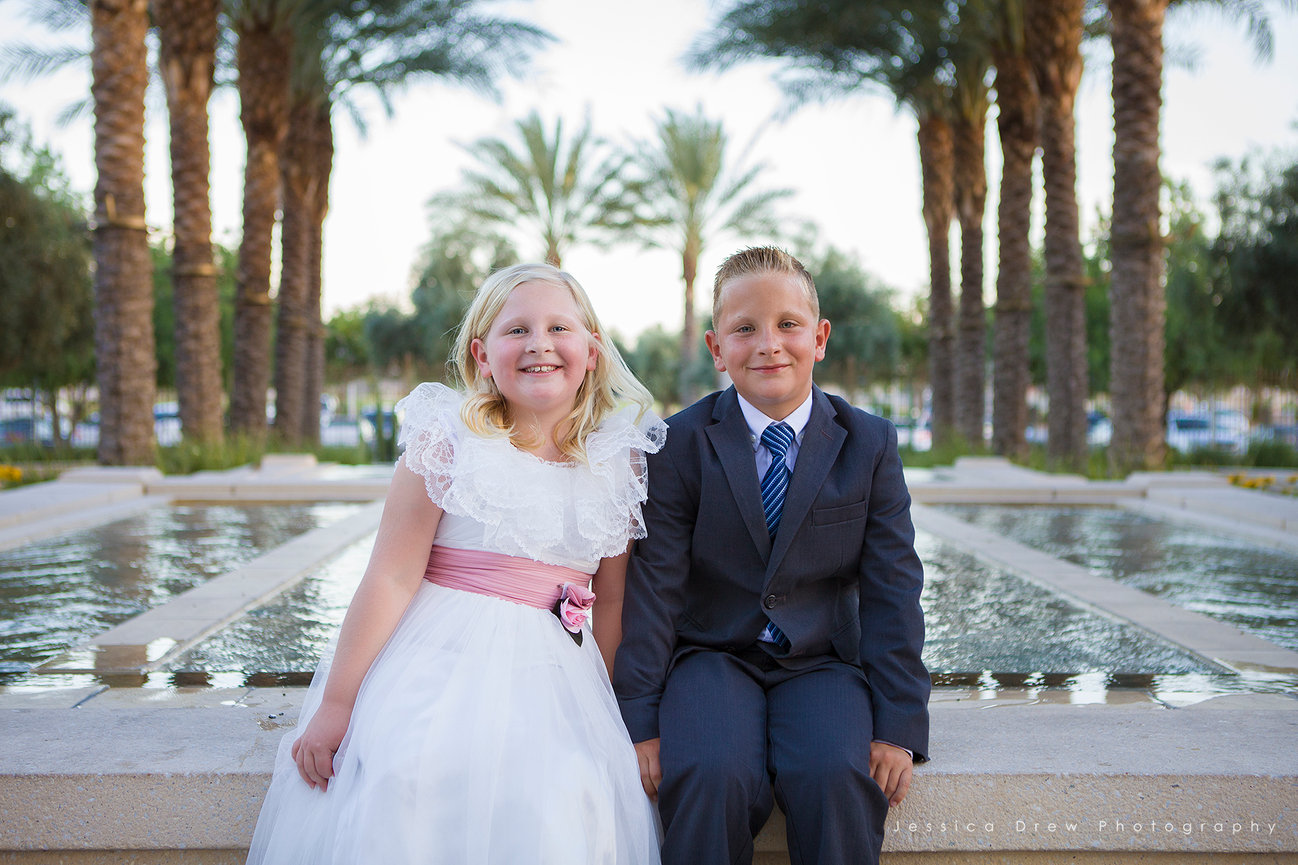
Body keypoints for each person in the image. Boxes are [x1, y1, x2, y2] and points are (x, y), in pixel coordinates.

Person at [247, 263, 665, 865]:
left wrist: (614, 715)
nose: (540, 344)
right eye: (516, 330)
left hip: (557, 672)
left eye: (559, 328)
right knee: (408, 774)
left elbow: (614, 601)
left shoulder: (615, 464)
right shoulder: (449, 441)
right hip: (440, 659)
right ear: (482, 354)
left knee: (565, 794)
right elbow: (391, 576)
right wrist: (338, 703)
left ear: (592, 351)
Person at [613, 246, 929, 865]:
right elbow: (655, 591)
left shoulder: (868, 443)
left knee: (836, 774)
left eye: (788, 324)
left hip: (822, 662)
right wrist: (641, 722)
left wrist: (897, 724)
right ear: (715, 347)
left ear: (820, 336)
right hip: (711, 657)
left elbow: (894, 588)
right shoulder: (677, 445)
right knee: (706, 771)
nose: (769, 344)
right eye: (744, 329)